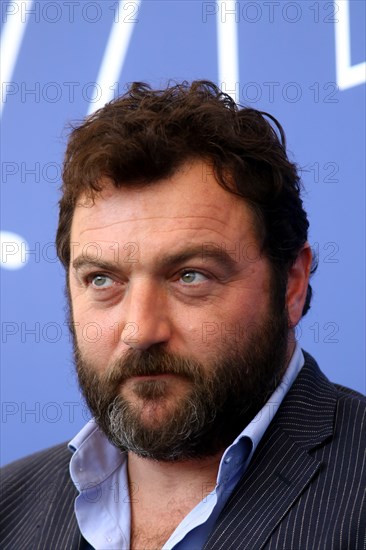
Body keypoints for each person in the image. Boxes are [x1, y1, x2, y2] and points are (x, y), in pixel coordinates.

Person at [1, 80, 365, 550]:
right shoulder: (9, 509)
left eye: (190, 276)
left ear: (291, 284)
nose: (140, 331)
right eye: (102, 280)